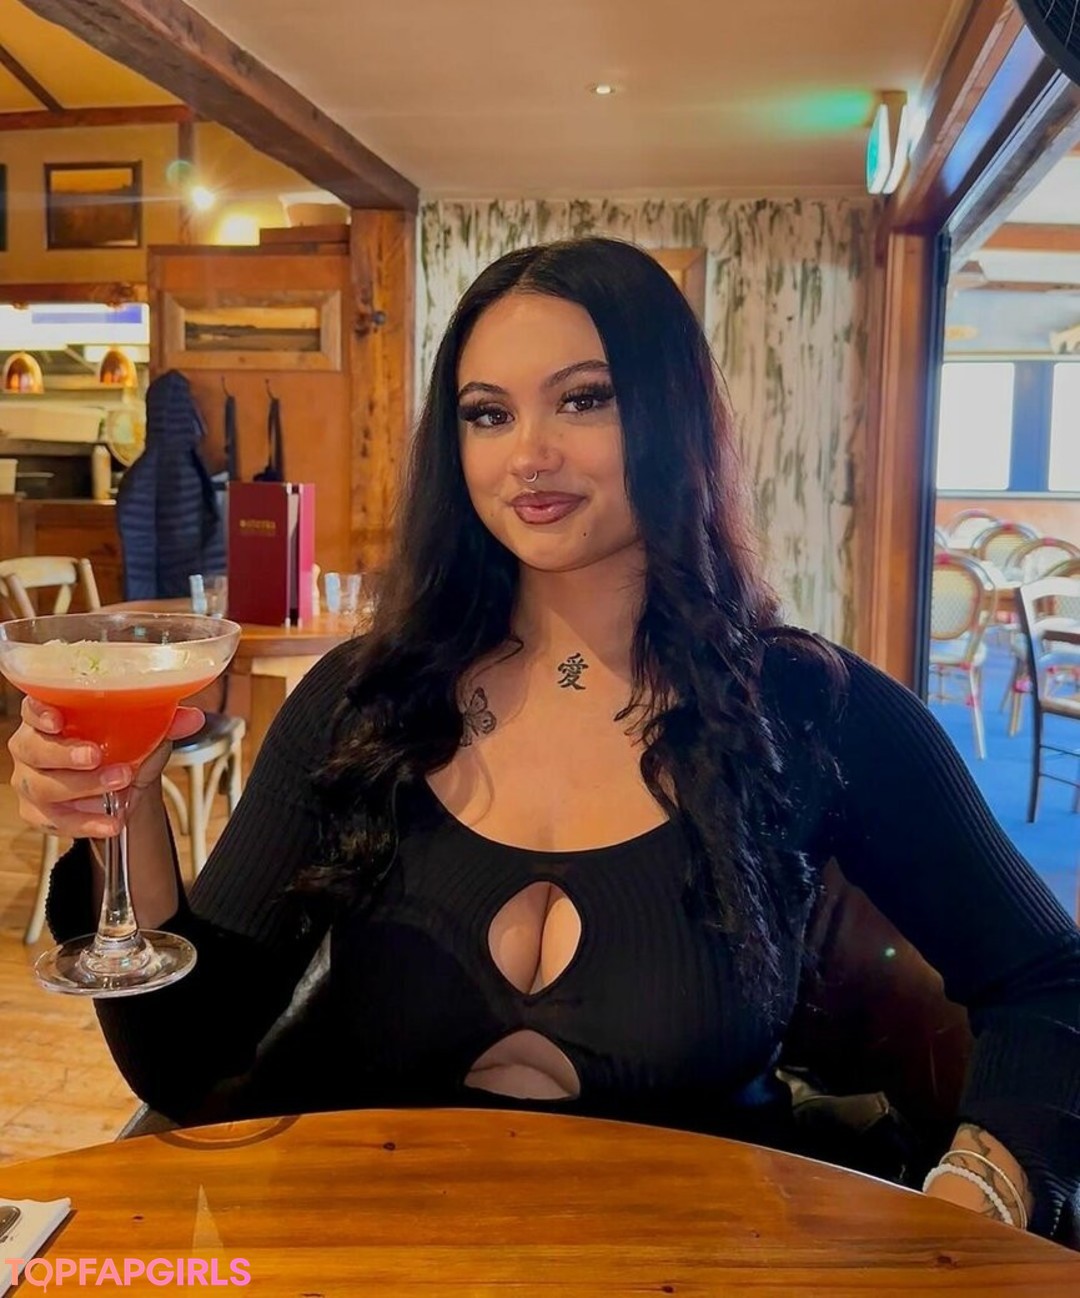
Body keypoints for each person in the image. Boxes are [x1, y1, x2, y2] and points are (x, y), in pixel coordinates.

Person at [10, 237, 1079, 1242]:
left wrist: (978, 1187)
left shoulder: (812, 709)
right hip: (371, 1251)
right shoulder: (363, 700)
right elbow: (183, 1062)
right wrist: (118, 815)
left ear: (670, 416)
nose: (529, 453)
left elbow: (1048, 979)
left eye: (584, 398)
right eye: (487, 413)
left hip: (698, 1258)